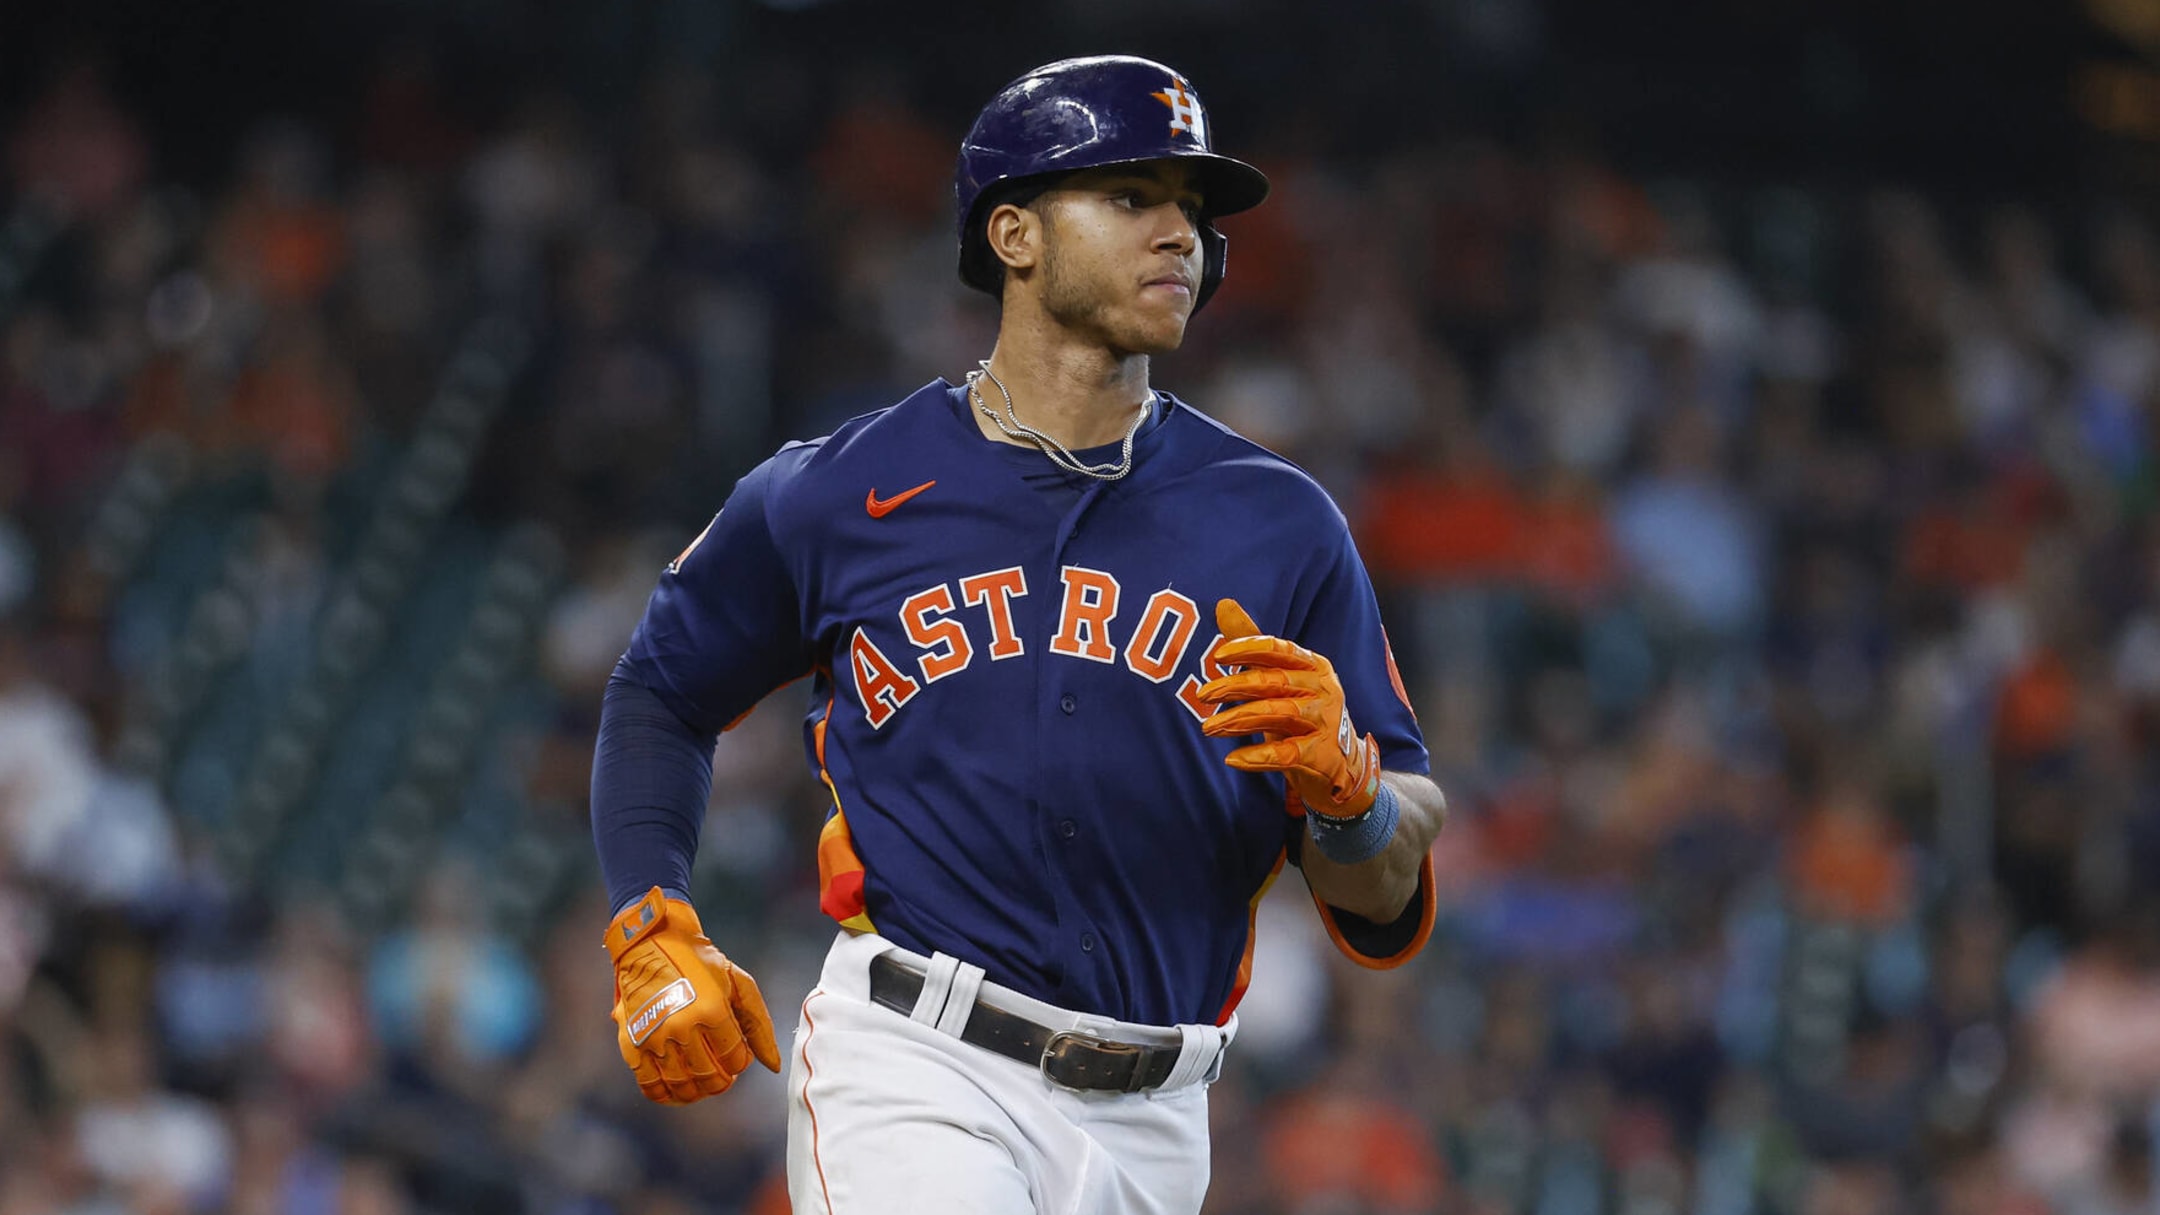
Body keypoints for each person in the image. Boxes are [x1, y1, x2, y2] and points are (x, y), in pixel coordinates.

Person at [589, 54, 1447, 1214]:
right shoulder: (843, 491)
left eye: (1191, 211)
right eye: (1133, 197)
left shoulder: (1278, 521)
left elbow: (1387, 882)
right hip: (917, 1064)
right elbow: (661, 690)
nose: (1178, 236)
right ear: (1014, 234)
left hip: (1158, 1115)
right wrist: (652, 917)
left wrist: (1356, 802)